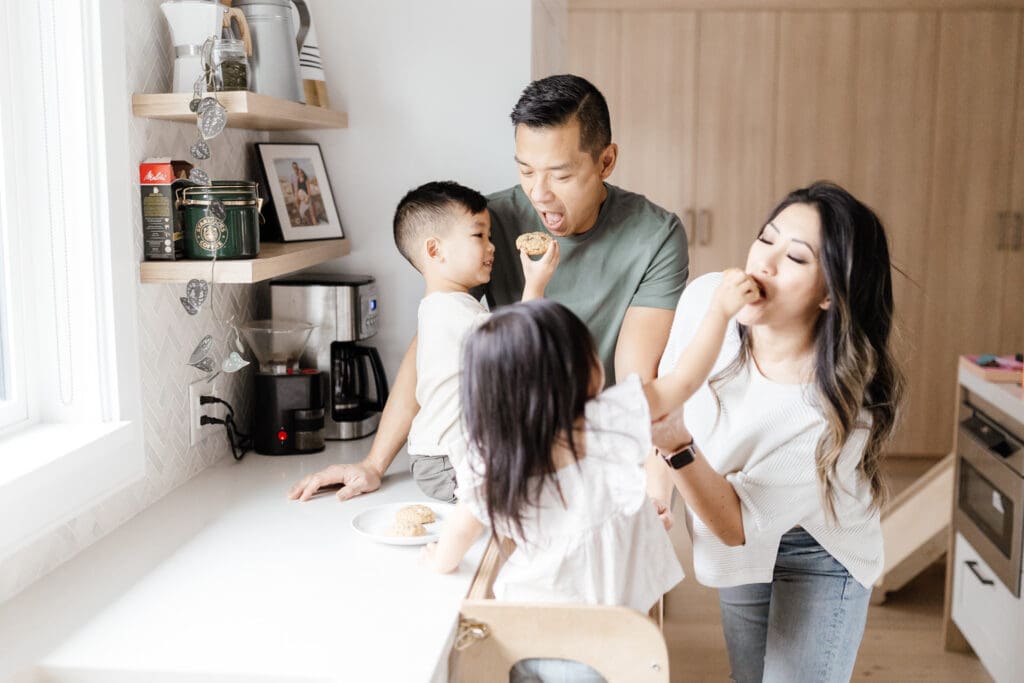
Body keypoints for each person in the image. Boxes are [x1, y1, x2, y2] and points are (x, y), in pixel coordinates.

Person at [288, 74, 688, 504]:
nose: (540, 194)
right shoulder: (488, 224)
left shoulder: (655, 236)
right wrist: (373, 464)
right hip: (509, 452)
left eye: (560, 175)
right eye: (525, 170)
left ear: (605, 162)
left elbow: (638, 376)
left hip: (598, 451)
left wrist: (654, 482)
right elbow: (434, 345)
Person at [421, 271, 757, 680]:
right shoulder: (608, 416)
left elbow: (459, 533)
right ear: (578, 372)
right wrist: (720, 312)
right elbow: (685, 379)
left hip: (529, 631)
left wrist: (438, 561)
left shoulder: (493, 458)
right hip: (610, 632)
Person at [648, 181, 905, 683]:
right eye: (766, 239)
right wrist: (657, 490)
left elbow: (735, 525)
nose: (764, 264)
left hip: (817, 547)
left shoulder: (837, 409)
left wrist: (676, 447)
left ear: (831, 293)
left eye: (796, 258)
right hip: (730, 510)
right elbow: (671, 389)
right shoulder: (707, 302)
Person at [388, 180, 557, 502]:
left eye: (490, 236)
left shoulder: (450, 308)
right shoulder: (450, 312)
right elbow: (517, 347)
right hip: (447, 463)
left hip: (442, 458)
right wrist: (535, 286)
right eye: (479, 235)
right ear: (434, 250)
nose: (492, 246)